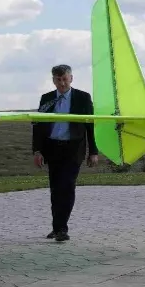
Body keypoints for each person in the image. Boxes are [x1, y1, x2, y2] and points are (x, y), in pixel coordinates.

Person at [32, 64, 98, 243]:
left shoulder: (83, 98)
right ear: (53, 80)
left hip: (73, 149)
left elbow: (90, 125)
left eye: (65, 79)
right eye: (58, 80)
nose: (62, 83)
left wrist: (93, 151)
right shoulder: (46, 98)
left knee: (67, 186)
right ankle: (57, 227)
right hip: (52, 148)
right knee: (55, 189)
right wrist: (37, 151)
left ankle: (62, 228)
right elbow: (37, 126)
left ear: (71, 78)